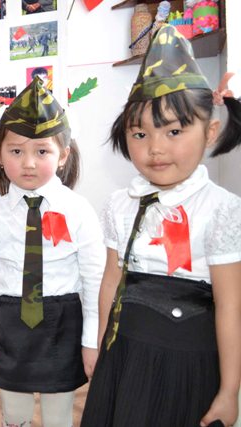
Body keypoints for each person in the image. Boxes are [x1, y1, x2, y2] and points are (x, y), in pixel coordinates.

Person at [80, 25, 241, 427]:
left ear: (210, 132)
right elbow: (110, 281)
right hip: (124, 353)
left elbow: (230, 306)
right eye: (140, 133)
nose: (155, 148)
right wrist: (100, 347)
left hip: (187, 363)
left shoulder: (222, 210)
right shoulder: (120, 204)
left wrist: (229, 391)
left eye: (174, 131)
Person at [0, 76, 105, 427]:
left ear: (63, 155)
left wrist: (91, 340)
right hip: (8, 323)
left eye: (41, 151)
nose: (28, 163)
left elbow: (94, 280)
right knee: (13, 414)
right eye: (16, 151)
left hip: (62, 324)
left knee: (58, 416)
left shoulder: (78, 210)